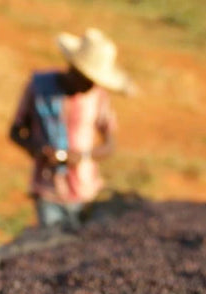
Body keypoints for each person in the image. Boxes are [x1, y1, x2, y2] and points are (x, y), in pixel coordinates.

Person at [8, 28, 131, 231]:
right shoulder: (39, 88)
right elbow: (16, 131)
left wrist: (81, 156)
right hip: (48, 188)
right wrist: (38, 149)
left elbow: (110, 144)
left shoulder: (98, 96)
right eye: (87, 79)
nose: (90, 85)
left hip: (85, 190)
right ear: (74, 68)